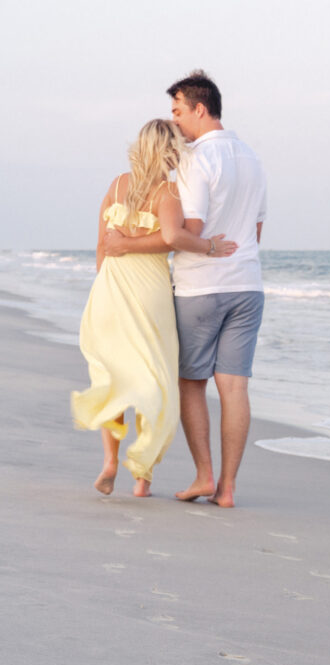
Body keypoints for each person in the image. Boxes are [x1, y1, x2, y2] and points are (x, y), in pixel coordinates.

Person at [103, 70, 267, 507]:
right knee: (235, 387)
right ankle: (227, 489)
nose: (174, 121)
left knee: (191, 382)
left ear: (199, 108)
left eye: (177, 111)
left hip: (201, 288)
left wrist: (127, 244)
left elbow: (184, 233)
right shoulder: (252, 157)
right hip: (248, 286)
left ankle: (204, 476)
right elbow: (255, 230)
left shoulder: (195, 159)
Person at [72, 119, 236, 497]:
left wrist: (107, 284)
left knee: (113, 379)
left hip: (109, 291)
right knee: (153, 382)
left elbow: (101, 246)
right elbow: (171, 239)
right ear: (168, 152)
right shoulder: (169, 192)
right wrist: (210, 246)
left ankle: (110, 461)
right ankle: (142, 478)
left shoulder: (117, 185)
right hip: (150, 294)